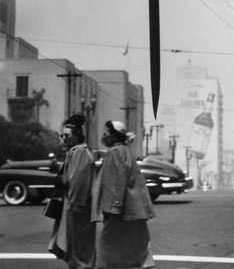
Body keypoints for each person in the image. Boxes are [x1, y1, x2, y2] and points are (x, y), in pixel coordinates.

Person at [92, 121, 156, 269]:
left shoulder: (115, 152)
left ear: (115, 137)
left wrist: (113, 209)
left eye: (106, 133)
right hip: (135, 208)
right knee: (138, 243)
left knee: (107, 243)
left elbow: (117, 181)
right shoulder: (125, 150)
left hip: (122, 210)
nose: (103, 136)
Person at [48, 114, 96, 269]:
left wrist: (73, 204)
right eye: (62, 135)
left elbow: (77, 182)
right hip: (76, 207)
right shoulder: (77, 151)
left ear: (77, 135)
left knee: (78, 249)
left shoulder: (79, 153)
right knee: (76, 248)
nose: (64, 138)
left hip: (77, 208)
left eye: (67, 135)